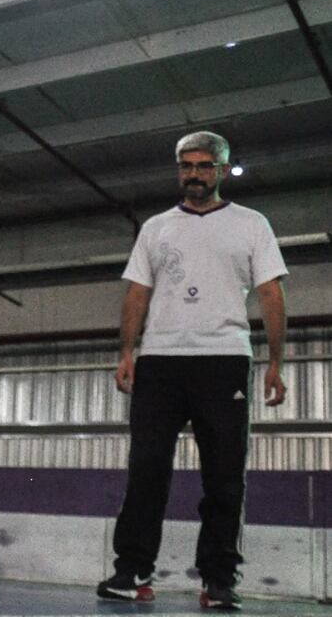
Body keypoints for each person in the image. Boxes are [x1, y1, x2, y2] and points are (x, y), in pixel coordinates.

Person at [96, 131, 288, 610]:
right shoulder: (156, 227)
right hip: (159, 361)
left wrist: (276, 362)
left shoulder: (251, 224)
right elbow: (137, 293)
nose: (195, 174)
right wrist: (126, 351)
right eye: (187, 166)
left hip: (224, 360)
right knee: (145, 471)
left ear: (222, 170)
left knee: (224, 476)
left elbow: (270, 294)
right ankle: (131, 570)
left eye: (205, 166)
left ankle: (219, 579)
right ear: (178, 170)